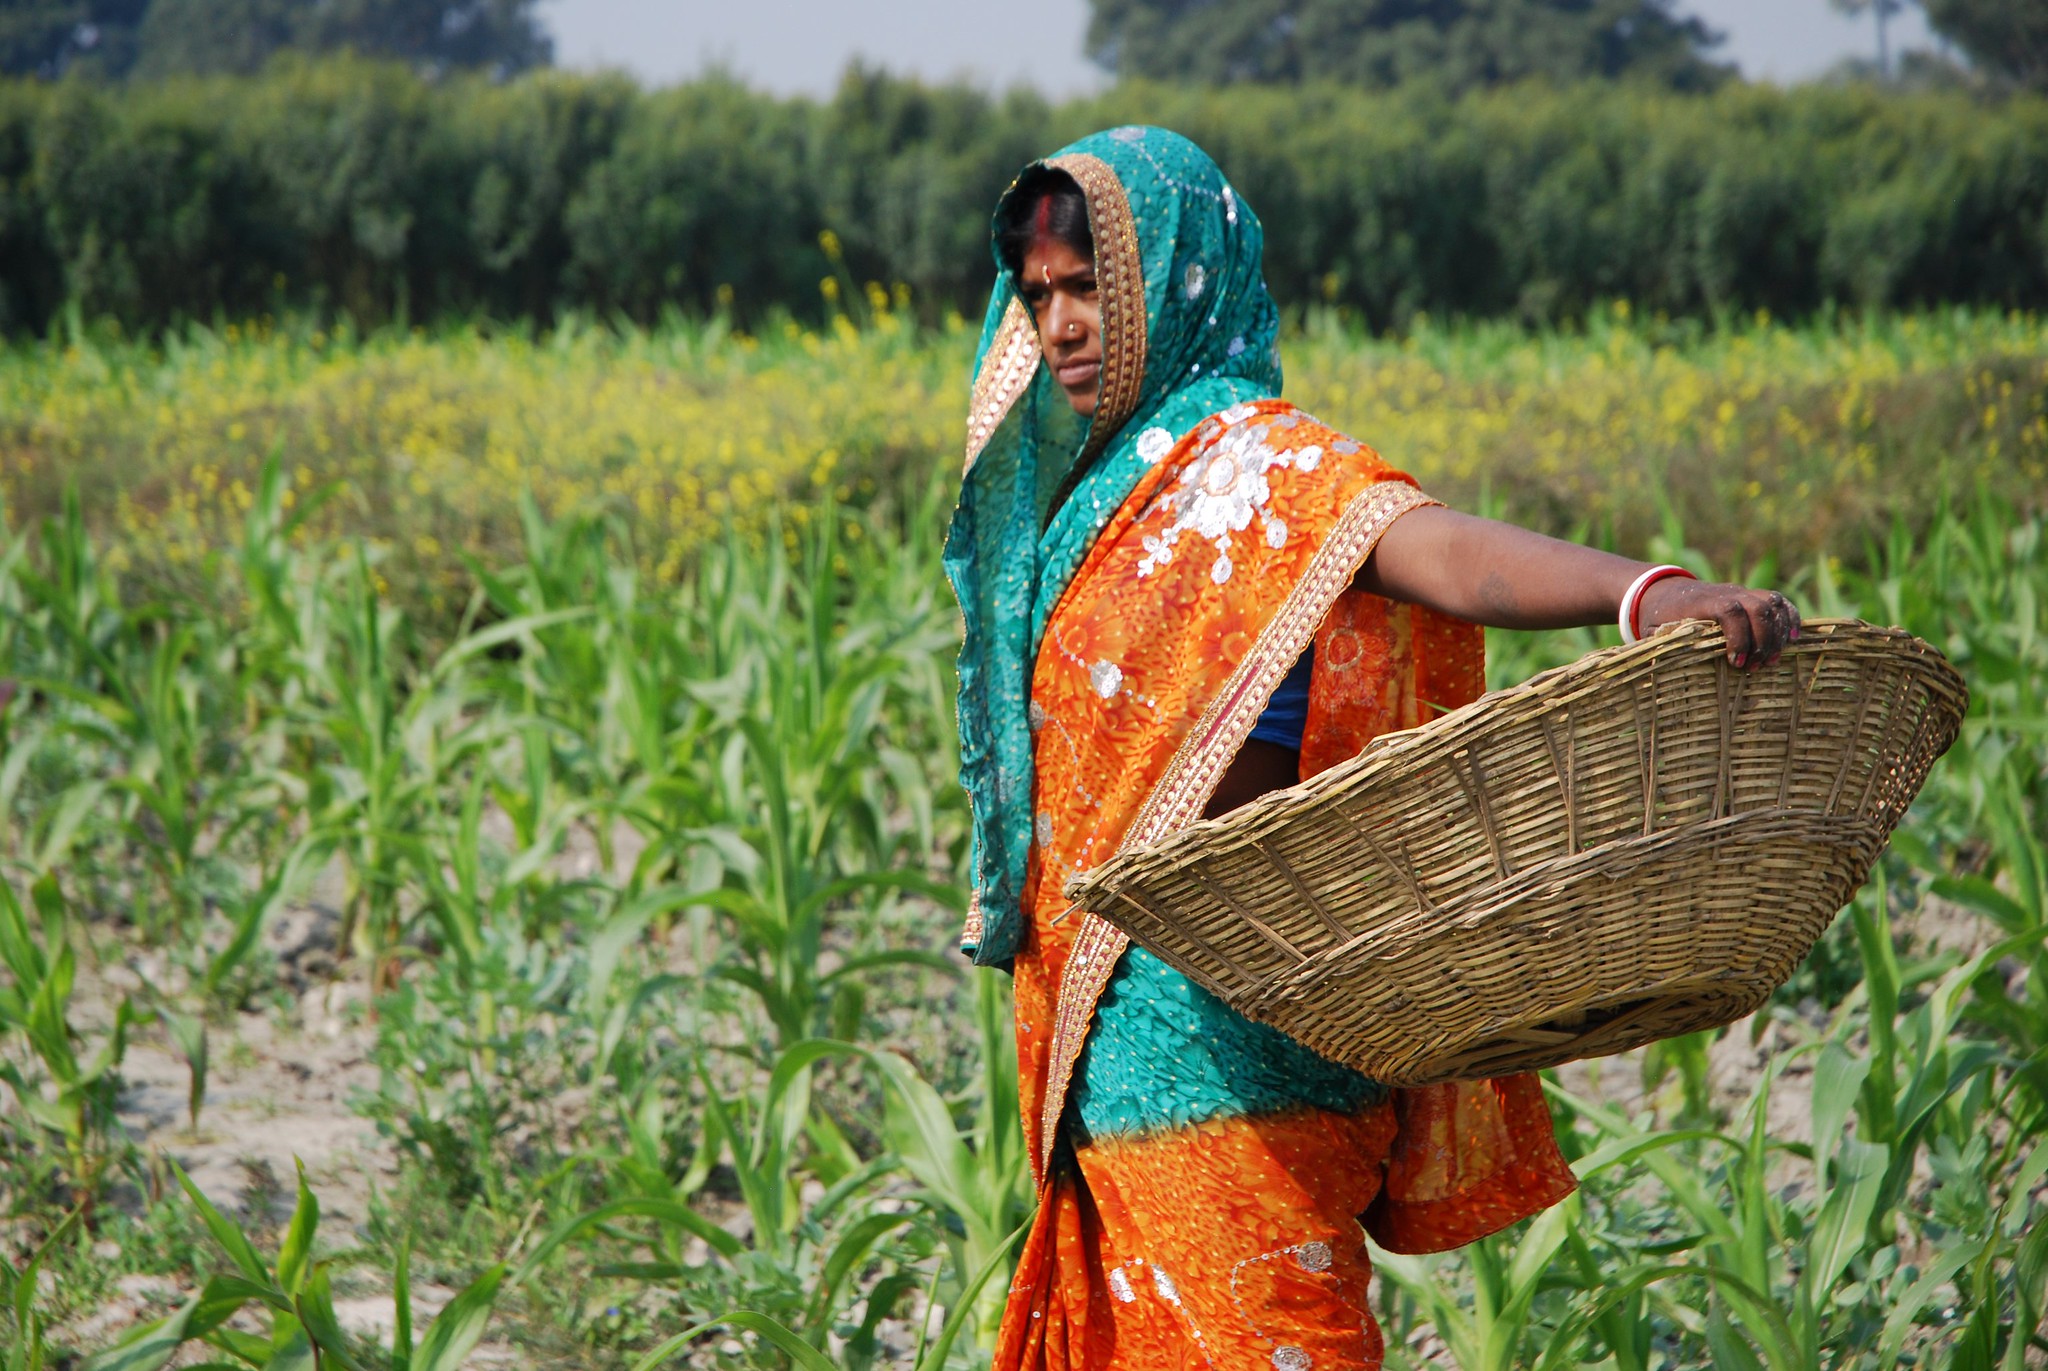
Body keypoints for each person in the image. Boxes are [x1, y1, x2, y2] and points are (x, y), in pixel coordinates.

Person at [944, 128, 1799, 1371]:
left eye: (1089, 287)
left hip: (1257, 1034)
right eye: (1040, 297)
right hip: (1112, 1048)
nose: (1061, 326)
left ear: (1177, 278)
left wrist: (1643, 596)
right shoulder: (1084, 514)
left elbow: (1438, 551)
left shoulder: (1266, 471)